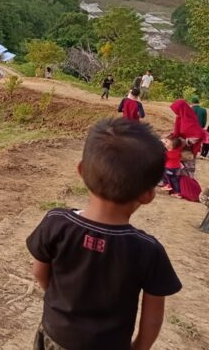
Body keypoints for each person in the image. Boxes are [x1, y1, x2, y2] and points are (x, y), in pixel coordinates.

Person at [26, 118, 182, 350]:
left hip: (55, 336)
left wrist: (60, 301)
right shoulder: (149, 250)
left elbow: (39, 273)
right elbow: (152, 318)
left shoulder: (57, 223)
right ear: (148, 195)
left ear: (80, 170)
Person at [171, 99, 205, 178]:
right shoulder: (180, 117)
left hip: (189, 149)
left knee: (187, 170)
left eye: (177, 110)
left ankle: (187, 187)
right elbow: (177, 132)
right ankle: (177, 186)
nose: (176, 112)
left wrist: (185, 142)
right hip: (181, 147)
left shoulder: (189, 119)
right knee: (178, 168)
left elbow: (198, 134)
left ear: (181, 109)